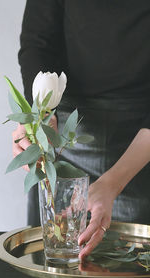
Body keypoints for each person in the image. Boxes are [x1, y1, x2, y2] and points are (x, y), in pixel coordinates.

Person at [14, 0, 150, 260]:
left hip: (141, 146)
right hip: (64, 129)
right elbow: (38, 42)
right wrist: (39, 117)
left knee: (135, 273)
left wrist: (112, 183)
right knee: (54, 264)